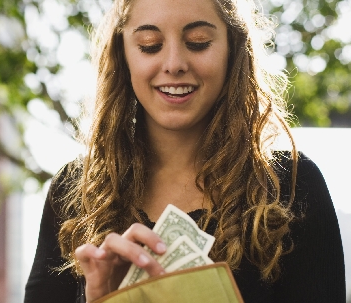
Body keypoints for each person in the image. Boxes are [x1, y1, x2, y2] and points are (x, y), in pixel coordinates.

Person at [25, 0, 346, 301]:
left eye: (198, 42)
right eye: (150, 45)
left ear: (233, 50)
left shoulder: (291, 185)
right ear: (123, 54)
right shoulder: (75, 190)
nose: (174, 64)